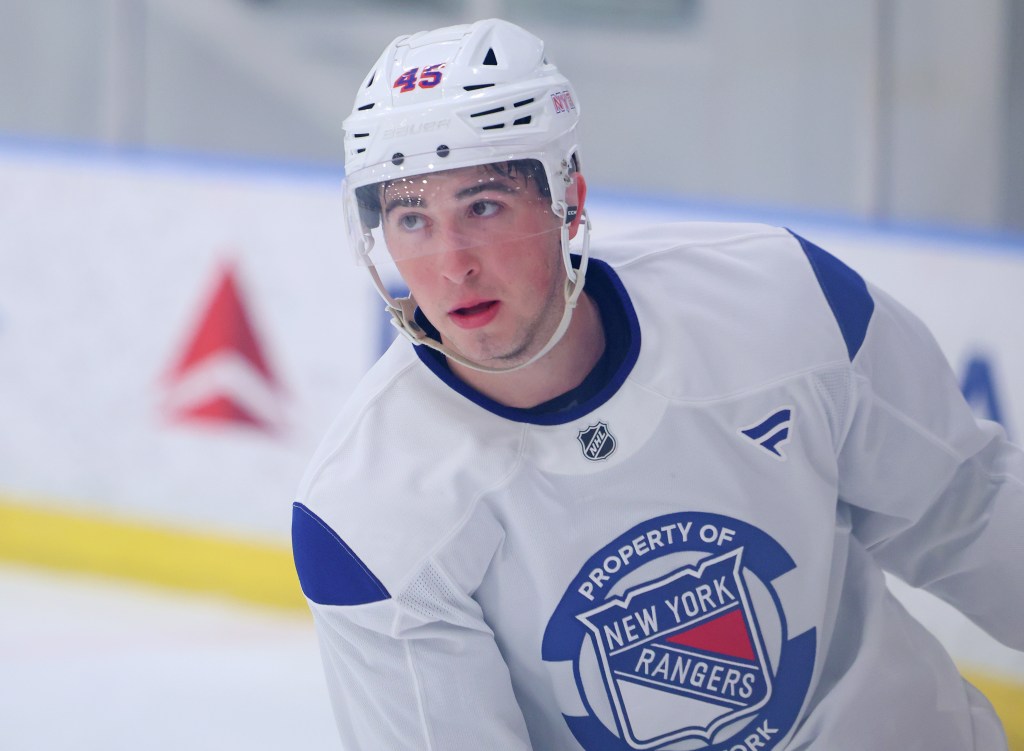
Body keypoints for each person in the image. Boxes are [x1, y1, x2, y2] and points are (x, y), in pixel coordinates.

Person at [291, 18, 1023, 750]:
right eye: (412, 219)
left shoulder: (782, 301)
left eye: (483, 207)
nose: (452, 265)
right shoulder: (365, 516)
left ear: (567, 197)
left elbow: (972, 511)